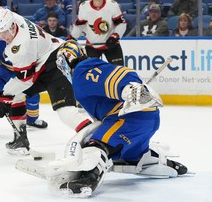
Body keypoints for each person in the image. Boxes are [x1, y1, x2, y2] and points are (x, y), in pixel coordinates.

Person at [44, 41, 189, 197]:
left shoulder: (82, 71)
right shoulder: (87, 70)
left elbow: (118, 75)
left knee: (96, 144)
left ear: (65, 63)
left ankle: (89, 177)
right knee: (128, 155)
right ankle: (158, 162)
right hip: (141, 120)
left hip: (129, 118)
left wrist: (128, 88)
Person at [0, 7, 92, 153]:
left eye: (4, 33)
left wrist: (4, 97)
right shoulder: (13, 18)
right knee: (16, 96)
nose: (2, 37)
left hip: (55, 64)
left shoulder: (19, 47)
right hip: (51, 55)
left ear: (12, 28)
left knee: (65, 111)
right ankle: (20, 138)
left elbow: (26, 80)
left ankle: (93, 137)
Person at [68, 0, 126, 66]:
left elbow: (121, 23)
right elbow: (79, 25)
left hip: (111, 45)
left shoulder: (112, 5)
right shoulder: (84, 6)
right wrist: (72, 38)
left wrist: (114, 37)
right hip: (92, 46)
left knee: (119, 71)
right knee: (90, 73)